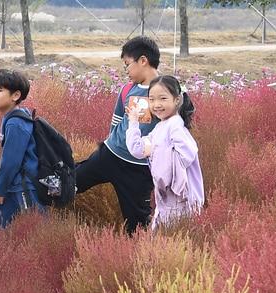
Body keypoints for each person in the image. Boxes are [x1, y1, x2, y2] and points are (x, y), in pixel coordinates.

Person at [74, 36, 161, 234]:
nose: (126, 71)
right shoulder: (127, 89)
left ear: (143, 61)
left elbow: (175, 128)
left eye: (127, 65)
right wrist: (107, 145)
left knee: (137, 226)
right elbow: (116, 123)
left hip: (138, 170)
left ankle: (140, 258)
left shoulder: (166, 90)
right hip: (109, 156)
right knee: (69, 182)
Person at [125, 75, 203, 228]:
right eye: (152, 99)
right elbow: (137, 149)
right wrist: (133, 123)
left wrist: (156, 150)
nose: (157, 104)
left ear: (177, 100)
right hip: (166, 201)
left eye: (163, 98)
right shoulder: (160, 127)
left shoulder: (175, 125)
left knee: (177, 239)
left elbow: (187, 155)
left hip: (182, 201)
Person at [0, 69, 42, 229]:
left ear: (16, 95)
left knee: (38, 231)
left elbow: (10, 162)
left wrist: (0, 189)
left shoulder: (15, 123)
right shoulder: (14, 117)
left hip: (25, 186)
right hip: (14, 185)